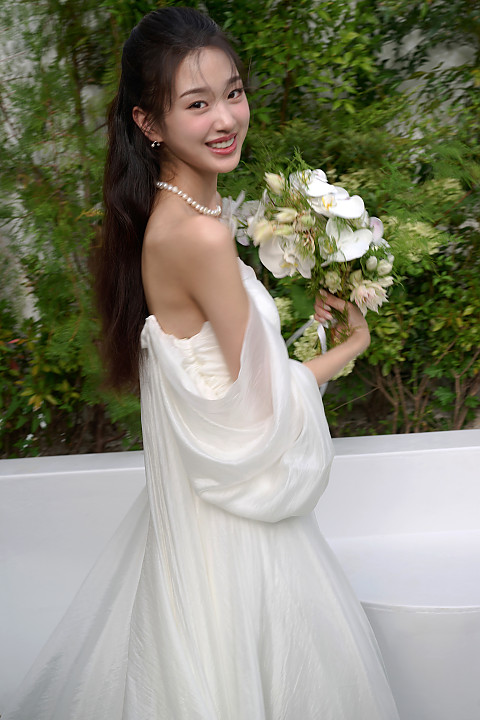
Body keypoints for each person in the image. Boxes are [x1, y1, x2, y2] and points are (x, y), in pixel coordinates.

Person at [3, 7, 399, 720]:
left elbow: (220, 371)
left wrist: (306, 332)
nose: (225, 119)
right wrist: (349, 348)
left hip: (200, 520)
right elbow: (259, 415)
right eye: (196, 104)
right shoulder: (200, 237)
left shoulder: (185, 216)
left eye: (233, 93)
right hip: (233, 538)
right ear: (149, 123)